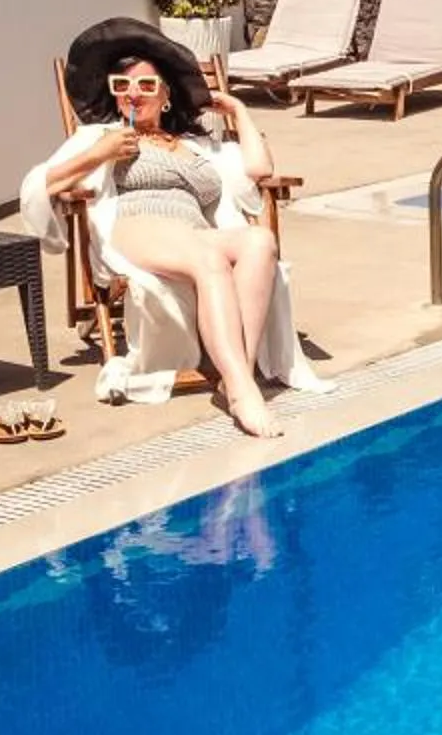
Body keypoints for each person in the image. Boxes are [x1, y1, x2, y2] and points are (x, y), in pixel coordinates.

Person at [25, 25, 315, 439]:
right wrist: (98, 154)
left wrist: (237, 110)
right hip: (138, 227)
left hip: (193, 233)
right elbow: (39, 185)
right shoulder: (100, 136)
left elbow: (259, 169)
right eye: (121, 84)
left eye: (146, 84)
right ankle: (243, 391)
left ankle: (237, 376)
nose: (133, 93)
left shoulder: (196, 145)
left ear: (165, 96)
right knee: (209, 259)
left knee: (259, 241)